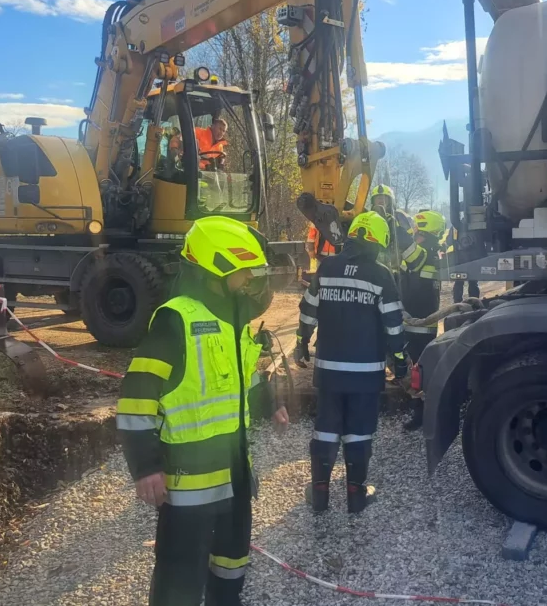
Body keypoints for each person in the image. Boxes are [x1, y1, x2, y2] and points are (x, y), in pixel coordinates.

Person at [116, 216, 288, 606]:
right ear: (216, 268)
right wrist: (145, 466)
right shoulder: (176, 320)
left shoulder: (235, 319)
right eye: (245, 273)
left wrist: (270, 402)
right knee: (180, 576)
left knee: (231, 565)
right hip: (188, 485)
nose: (251, 281)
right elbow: (135, 398)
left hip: (235, 475)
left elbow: (241, 379)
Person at [294, 211, 408, 513]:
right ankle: (356, 495)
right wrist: (400, 362)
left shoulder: (327, 267)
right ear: (377, 242)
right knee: (359, 430)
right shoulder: (381, 274)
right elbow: (394, 325)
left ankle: (319, 494)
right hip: (365, 374)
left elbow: (308, 309)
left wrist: (301, 342)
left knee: (326, 429)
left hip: (329, 370)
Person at [401, 210, 445, 431]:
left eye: (418, 233)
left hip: (419, 322)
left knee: (419, 371)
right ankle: (422, 413)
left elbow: (409, 253)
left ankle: (423, 415)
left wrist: (398, 227)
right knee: (416, 369)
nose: (415, 236)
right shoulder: (430, 250)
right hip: (415, 319)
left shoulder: (426, 251)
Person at [368, 184, 426, 274]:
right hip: (371, 266)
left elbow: (410, 239)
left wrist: (396, 230)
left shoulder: (400, 216)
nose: (381, 200)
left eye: (384, 198)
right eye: (378, 197)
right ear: (373, 201)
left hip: (395, 269)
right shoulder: (367, 217)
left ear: (390, 201)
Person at [441, 226, 479, 303]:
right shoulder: (476, 226)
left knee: (459, 281)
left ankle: (457, 302)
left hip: (460, 259)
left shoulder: (455, 227)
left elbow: (449, 241)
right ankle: (474, 302)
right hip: (474, 259)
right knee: (473, 282)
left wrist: (443, 248)